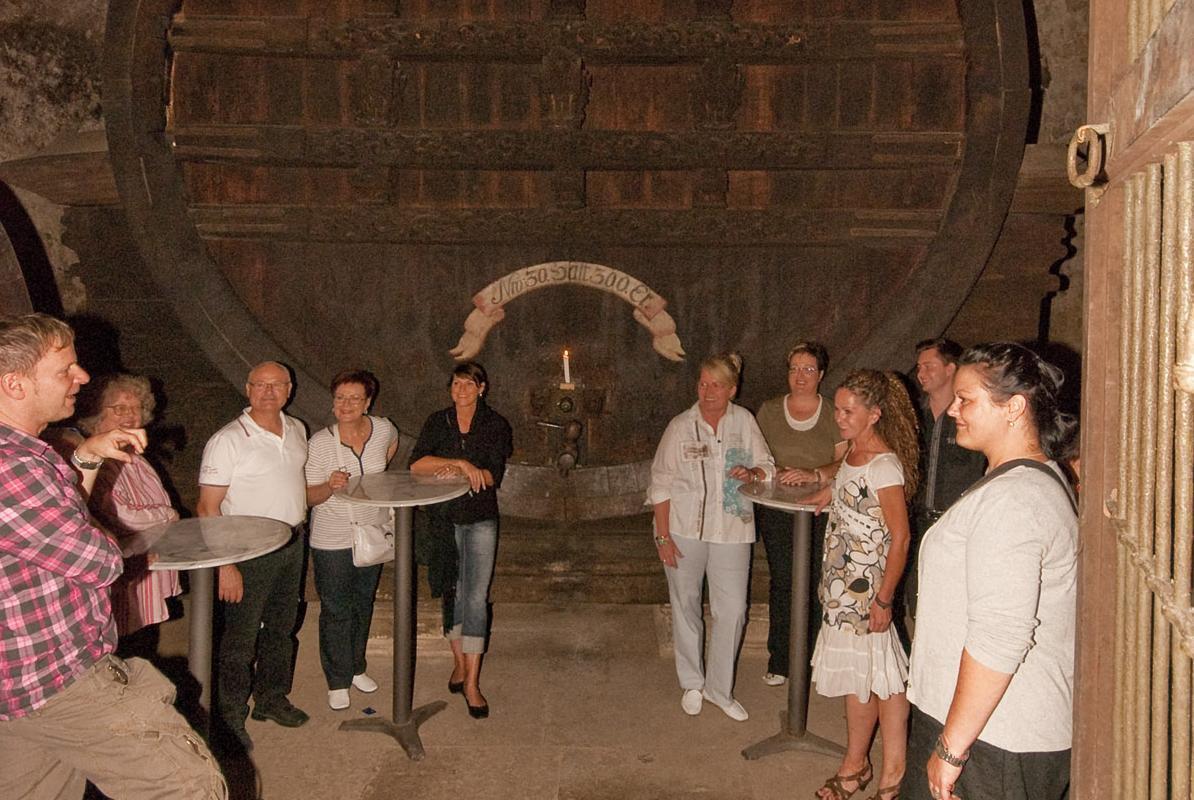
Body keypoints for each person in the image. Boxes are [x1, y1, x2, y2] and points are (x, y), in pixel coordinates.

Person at [0, 313, 226, 799]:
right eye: (65, 370)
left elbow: (56, 532)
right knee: (189, 785)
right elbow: (101, 561)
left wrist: (84, 461)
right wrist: (93, 514)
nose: (82, 378)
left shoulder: (31, 453)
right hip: (57, 680)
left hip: (15, 686)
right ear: (15, 385)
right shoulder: (13, 470)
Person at [905, 343, 1078, 800]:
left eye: (967, 400)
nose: (955, 409)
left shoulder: (1014, 499)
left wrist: (951, 749)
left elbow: (1000, 636)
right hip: (987, 727)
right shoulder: (1023, 479)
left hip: (996, 737)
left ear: (1014, 408)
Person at [809, 370, 920, 800]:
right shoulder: (853, 452)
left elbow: (901, 535)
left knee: (885, 680)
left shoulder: (884, 464)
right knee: (863, 678)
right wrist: (830, 496)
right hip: (841, 590)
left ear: (874, 414)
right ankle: (857, 764)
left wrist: (885, 598)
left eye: (848, 411)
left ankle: (891, 771)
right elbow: (850, 492)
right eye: (837, 408)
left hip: (868, 591)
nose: (839, 417)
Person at [648, 352, 775, 722]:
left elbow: (767, 468)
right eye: (703, 383)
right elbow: (661, 484)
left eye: (716, 385)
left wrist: (752, 471)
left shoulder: (744, 421)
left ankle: (720, 689)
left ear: (732, 389)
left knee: (732, 610)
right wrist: (662, 537)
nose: (708, 391)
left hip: (733, 531)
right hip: (684, 530)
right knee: (686, 605)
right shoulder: (680, 426)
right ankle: (692, 682)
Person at [198, 361, 309, 750]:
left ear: (289, 389)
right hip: (246, 551)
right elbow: (207, 508)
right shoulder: (228, 440)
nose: (268, 391)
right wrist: (225, 565)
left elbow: (293, 487)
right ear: (247, 389)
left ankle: (271, 699)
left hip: (292, 544)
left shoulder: (297, 430)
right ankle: (229, 718)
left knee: (282, 629)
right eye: (259, 385)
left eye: (276, 384)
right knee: (240, 641)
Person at [410, 361, 512, 719]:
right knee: (451, 589)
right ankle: (459, 663)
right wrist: (460, 464)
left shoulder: (495, 424)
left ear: (482, 388)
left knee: (476, 597)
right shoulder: (438, 421)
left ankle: (472, 682)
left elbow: (491, 475)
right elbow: (416, 464)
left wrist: (464, 467)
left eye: (469, 384)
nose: (462, 390)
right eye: (456, 384)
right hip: (444, 518)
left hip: (480, 518)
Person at [305, 369, 399, 711]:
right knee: (335, 608)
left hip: (372, 531)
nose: (346, 405)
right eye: (340, 398)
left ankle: (357, 666)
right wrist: (328, 486)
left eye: (354, 398)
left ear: (368, 402)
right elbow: (307, 496)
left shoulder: (382, 428)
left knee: (363, 602)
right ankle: (337, 679)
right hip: (333, 537)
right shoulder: (320, 443)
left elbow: (390, 447)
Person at [754, 341, 846, 686]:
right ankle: (780, 659)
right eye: (794, 368)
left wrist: (815, 473)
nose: (800, 376)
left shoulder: (834, 411)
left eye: (808, 369)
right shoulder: (770, 410)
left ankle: (813, 661)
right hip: (778, 510)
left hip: (820, 507)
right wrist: (774, 471)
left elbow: (845, 460)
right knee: (784, 582)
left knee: (816, 583)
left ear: (821, 375)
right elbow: (756, 454)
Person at [75, 373, 183, 659]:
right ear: (97, 413)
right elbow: (122, 514)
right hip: (120, 573)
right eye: (119, 408)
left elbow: (153, 505)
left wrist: (163, 516)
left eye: (135, 408)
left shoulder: (137, 458)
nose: (129, 415)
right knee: (120, 651)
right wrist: (169, 514)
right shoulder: (97, 459)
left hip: (146, 569)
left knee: (144, 646)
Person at [906, 339, 986, 617]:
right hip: (917, 524)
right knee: (917, 604)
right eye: (919, 367)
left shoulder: (969, 417)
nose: (921, 373)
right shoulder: (914, 416)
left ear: (951, 369)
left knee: (953, 606)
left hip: (957, 527)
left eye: (929, 366)